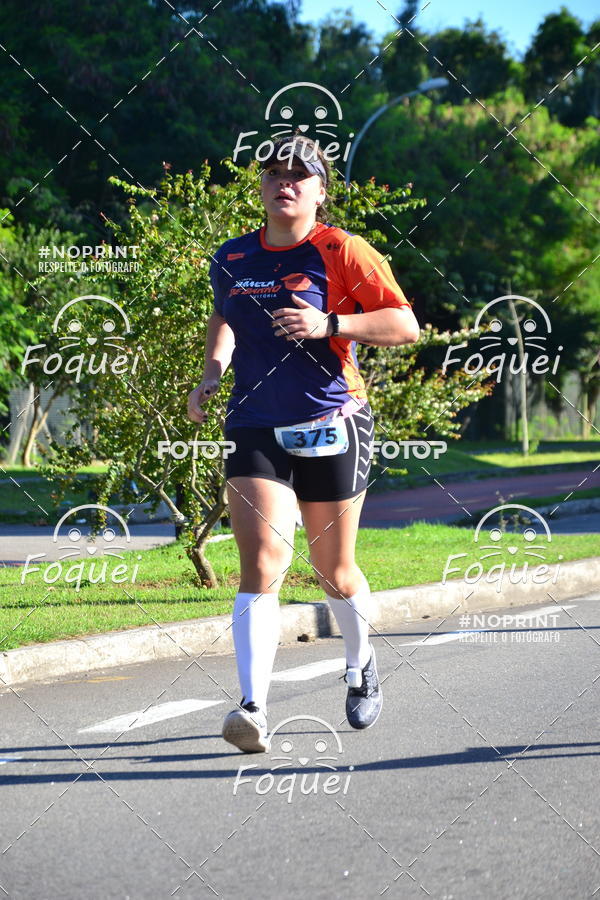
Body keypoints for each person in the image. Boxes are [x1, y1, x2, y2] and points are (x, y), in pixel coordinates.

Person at [188, 134, 420, 753]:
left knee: (333, 571)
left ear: (320, 189)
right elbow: (224, 318)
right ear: (260, 186)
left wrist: (331, 324)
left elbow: (404, 324)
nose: (283, 182)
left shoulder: (343, 250)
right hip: (254, 421)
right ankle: (251, 707)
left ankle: (360, 663)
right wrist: (212, 370)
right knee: (262, 561)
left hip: (332, 417)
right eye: (272, 173)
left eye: (299, 174)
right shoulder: (232, 257)